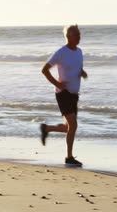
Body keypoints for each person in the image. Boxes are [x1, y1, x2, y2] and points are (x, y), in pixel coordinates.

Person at [40, 24, 87, 167]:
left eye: (80, 34)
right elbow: (44, 70)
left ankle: (46, 129)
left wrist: (82, 72)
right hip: (63, 94)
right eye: (76, 35)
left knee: (68, 128)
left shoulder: (79, 51)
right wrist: (57, 83)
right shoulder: (61, 52)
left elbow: (75, 67)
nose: (79, 37)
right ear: (69, 37)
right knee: (73, 125)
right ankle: (69, 157)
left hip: (74, 94)